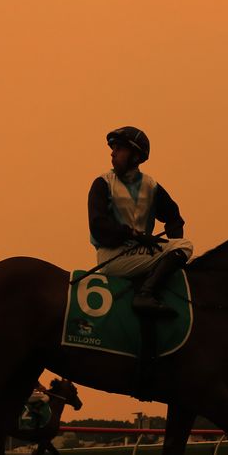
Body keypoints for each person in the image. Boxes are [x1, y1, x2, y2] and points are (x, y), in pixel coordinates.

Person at [88, 126, 195, 318]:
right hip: (113, 256)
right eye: (113, 148)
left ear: (135, 157)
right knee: (185, 246)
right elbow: (98, 225)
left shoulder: (151, 186)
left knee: (179, 244)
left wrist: (173, 235)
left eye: (119, 148)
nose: (112, 153)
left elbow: (174, 216)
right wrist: (135, 235)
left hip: (140, 254)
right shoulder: (102, 183)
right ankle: (146, 294)